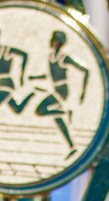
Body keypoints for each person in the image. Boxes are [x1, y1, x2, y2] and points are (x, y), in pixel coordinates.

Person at [33, 29, 91, 157]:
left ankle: (65, 112)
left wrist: (83, 92)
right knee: (58, 120)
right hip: (56, 89)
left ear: (57, 42)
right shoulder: (51, 57)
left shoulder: (64, 58)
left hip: (62, 92)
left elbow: (86, 70)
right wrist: (34, 78)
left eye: (53, 40)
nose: (51, 42)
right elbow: (50, 75)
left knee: (40, 110)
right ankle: (72, 146)